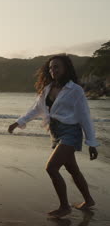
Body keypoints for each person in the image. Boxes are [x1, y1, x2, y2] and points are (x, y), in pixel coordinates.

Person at [8, 55, 99, 218]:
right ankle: (89, 200)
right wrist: (18, 122)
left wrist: (91, 143)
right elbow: (36, 109)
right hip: (55, 132)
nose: (53, 70)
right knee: (73, 170)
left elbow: (84, 115)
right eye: (50, 67)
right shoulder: (47, 89)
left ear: (66, 69)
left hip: (71, 132)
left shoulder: (75, 90)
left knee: (51, 168)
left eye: (57, 67)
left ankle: (64, 207)